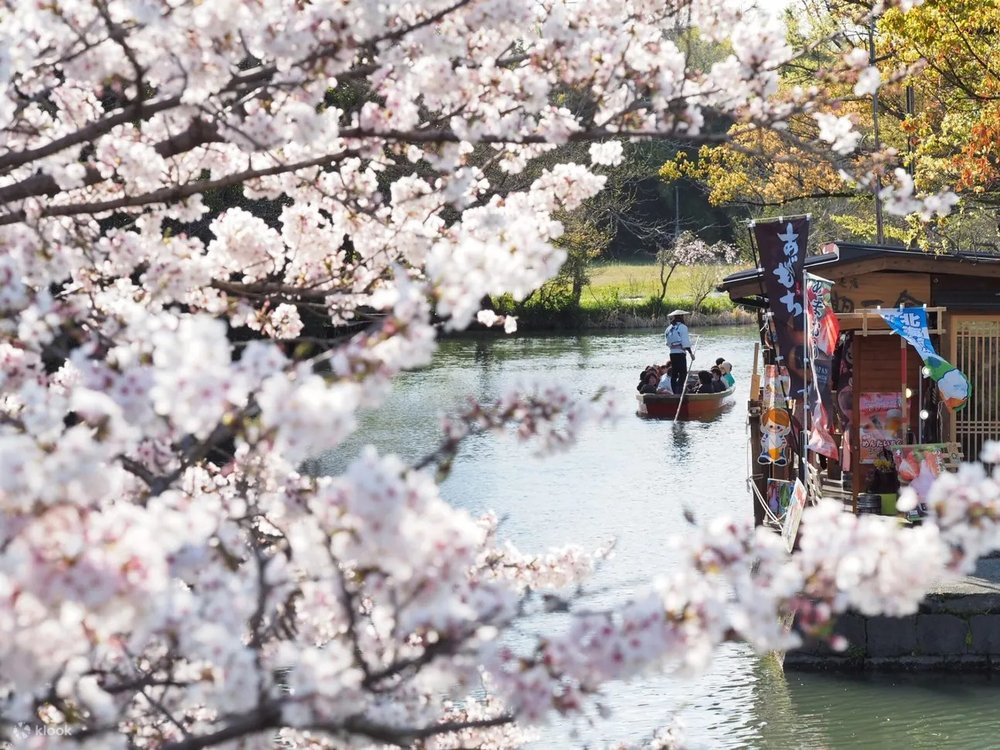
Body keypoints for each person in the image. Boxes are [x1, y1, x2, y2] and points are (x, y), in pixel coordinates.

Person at [664, 310, 694, 393]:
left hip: (672, 353)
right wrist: (691, 354)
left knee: (674, 373)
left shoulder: (668, 328)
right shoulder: (683, 327)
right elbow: (685, 342)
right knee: (683, 373)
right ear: (681, 317)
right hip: (680, 353)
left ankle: (674, 390)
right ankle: (679, 390)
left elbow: (667, 343)